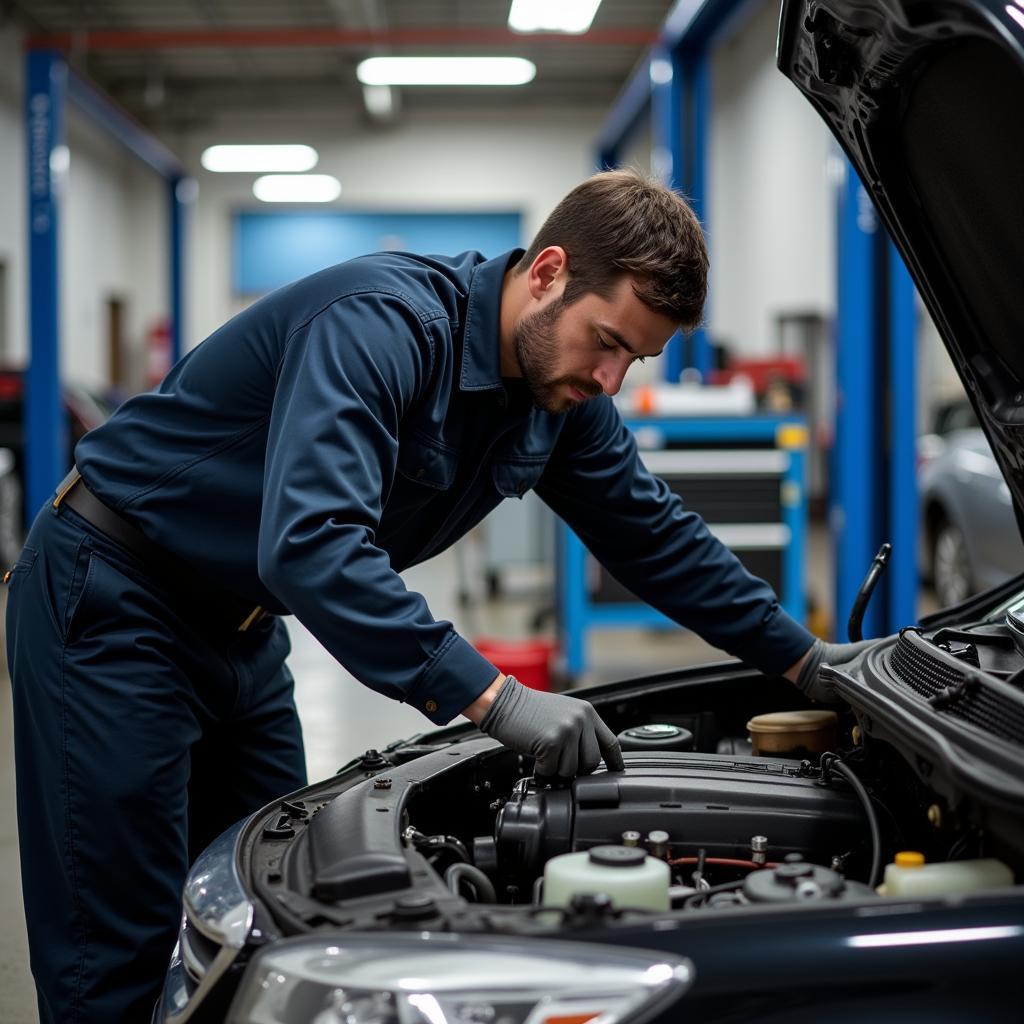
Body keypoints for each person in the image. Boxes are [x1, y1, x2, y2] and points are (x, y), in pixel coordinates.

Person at [5, 169, 872, 1023]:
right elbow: (312, 543)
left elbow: (654, 534)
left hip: (245, 626)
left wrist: (803, 659)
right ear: (547, 273)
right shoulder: (381, 326)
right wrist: (493, 699)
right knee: (115, 955)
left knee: (263, 919)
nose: (613, 380)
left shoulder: (556, 397)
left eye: (635, 359)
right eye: (608, 342)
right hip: (116, 597)